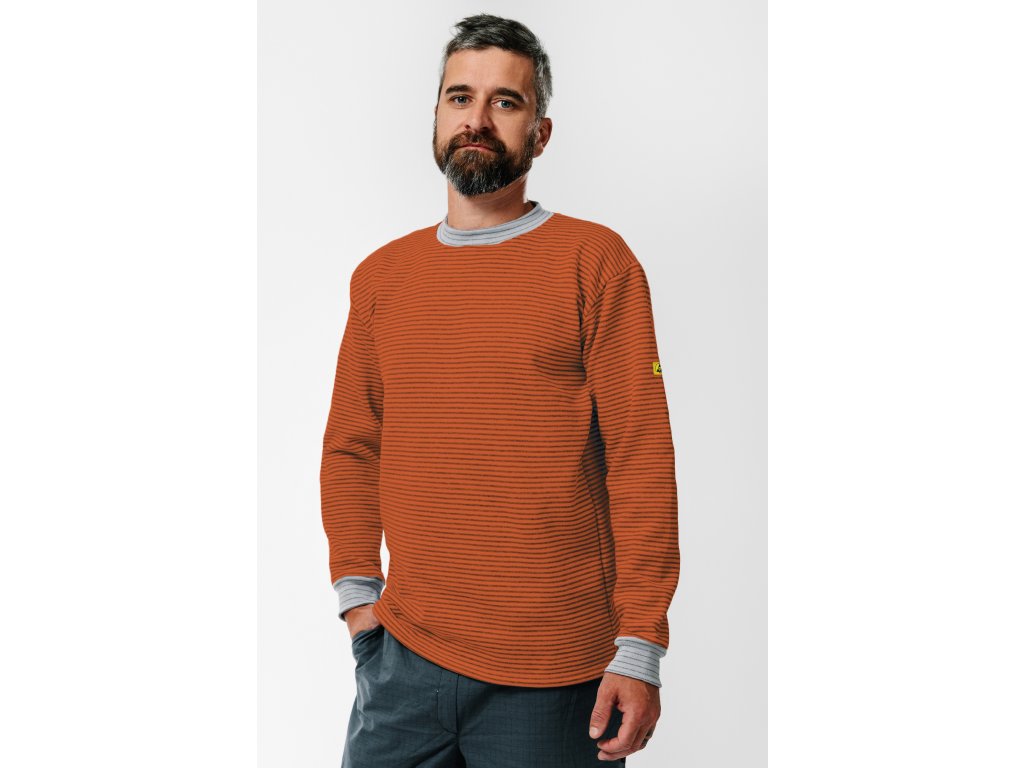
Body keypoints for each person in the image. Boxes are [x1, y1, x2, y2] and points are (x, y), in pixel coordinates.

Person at [321, 13, 680, 767]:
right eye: (460, 97)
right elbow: (353, 444)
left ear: (539, 134)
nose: (477, 119)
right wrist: (359, 601)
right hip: (401, 662)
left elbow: (640, 455)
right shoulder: (381, 278)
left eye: (505, 102)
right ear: (436, 116)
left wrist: (640, 646)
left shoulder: (595, 262)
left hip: (557, 676)